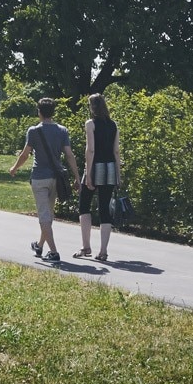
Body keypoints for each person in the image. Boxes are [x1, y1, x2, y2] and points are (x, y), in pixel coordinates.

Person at [9, 97, 79, 262]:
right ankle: (40, 245)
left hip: (39, 177)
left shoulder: (33, 131)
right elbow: (69, 155)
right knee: (48, 213)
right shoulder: (62, 131)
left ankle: (54, 252)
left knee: (44, 216)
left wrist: (14, 168)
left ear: (39, 112)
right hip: (56, 178)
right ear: (53, 112)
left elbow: (25, 154)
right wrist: (77, 177)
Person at [74, 93, 123, 262]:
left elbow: (90, 149)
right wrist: (118, 173)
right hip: (110, 168)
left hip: (95, 167)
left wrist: (88, 173)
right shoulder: (113, 125)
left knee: (84, 206)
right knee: (104, 209)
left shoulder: (90, 124)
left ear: (91, 107)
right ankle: (103, 251)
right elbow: (116, 151)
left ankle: (86, 246)